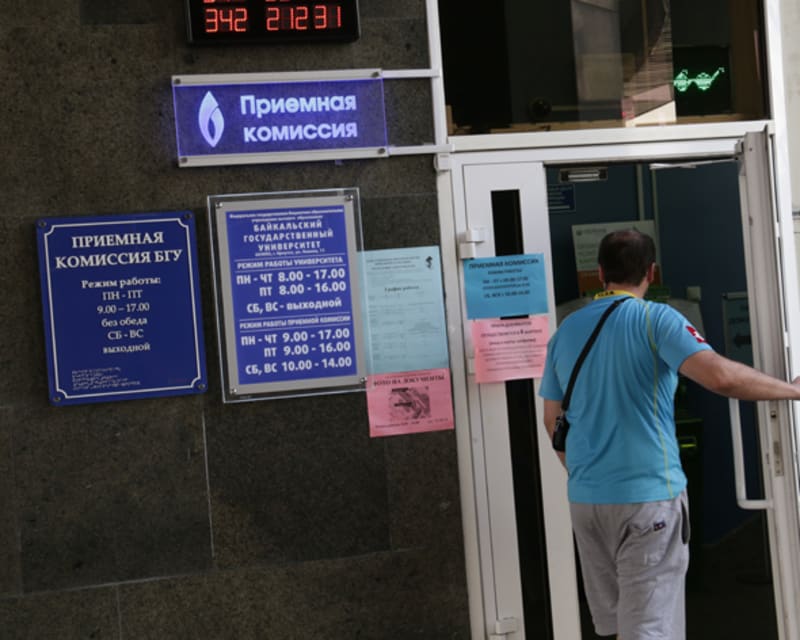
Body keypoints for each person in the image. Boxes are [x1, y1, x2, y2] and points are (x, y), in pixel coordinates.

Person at [539, 229, 800, 640]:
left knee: (617, 624)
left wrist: (583, 473)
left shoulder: (566, 330)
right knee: (649, 630)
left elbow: (551, 417)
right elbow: (720, 377)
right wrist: (792, 390)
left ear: (600, 272)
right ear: (651, 272)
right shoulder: (656, 319)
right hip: (647, 500)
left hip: (587, 501)